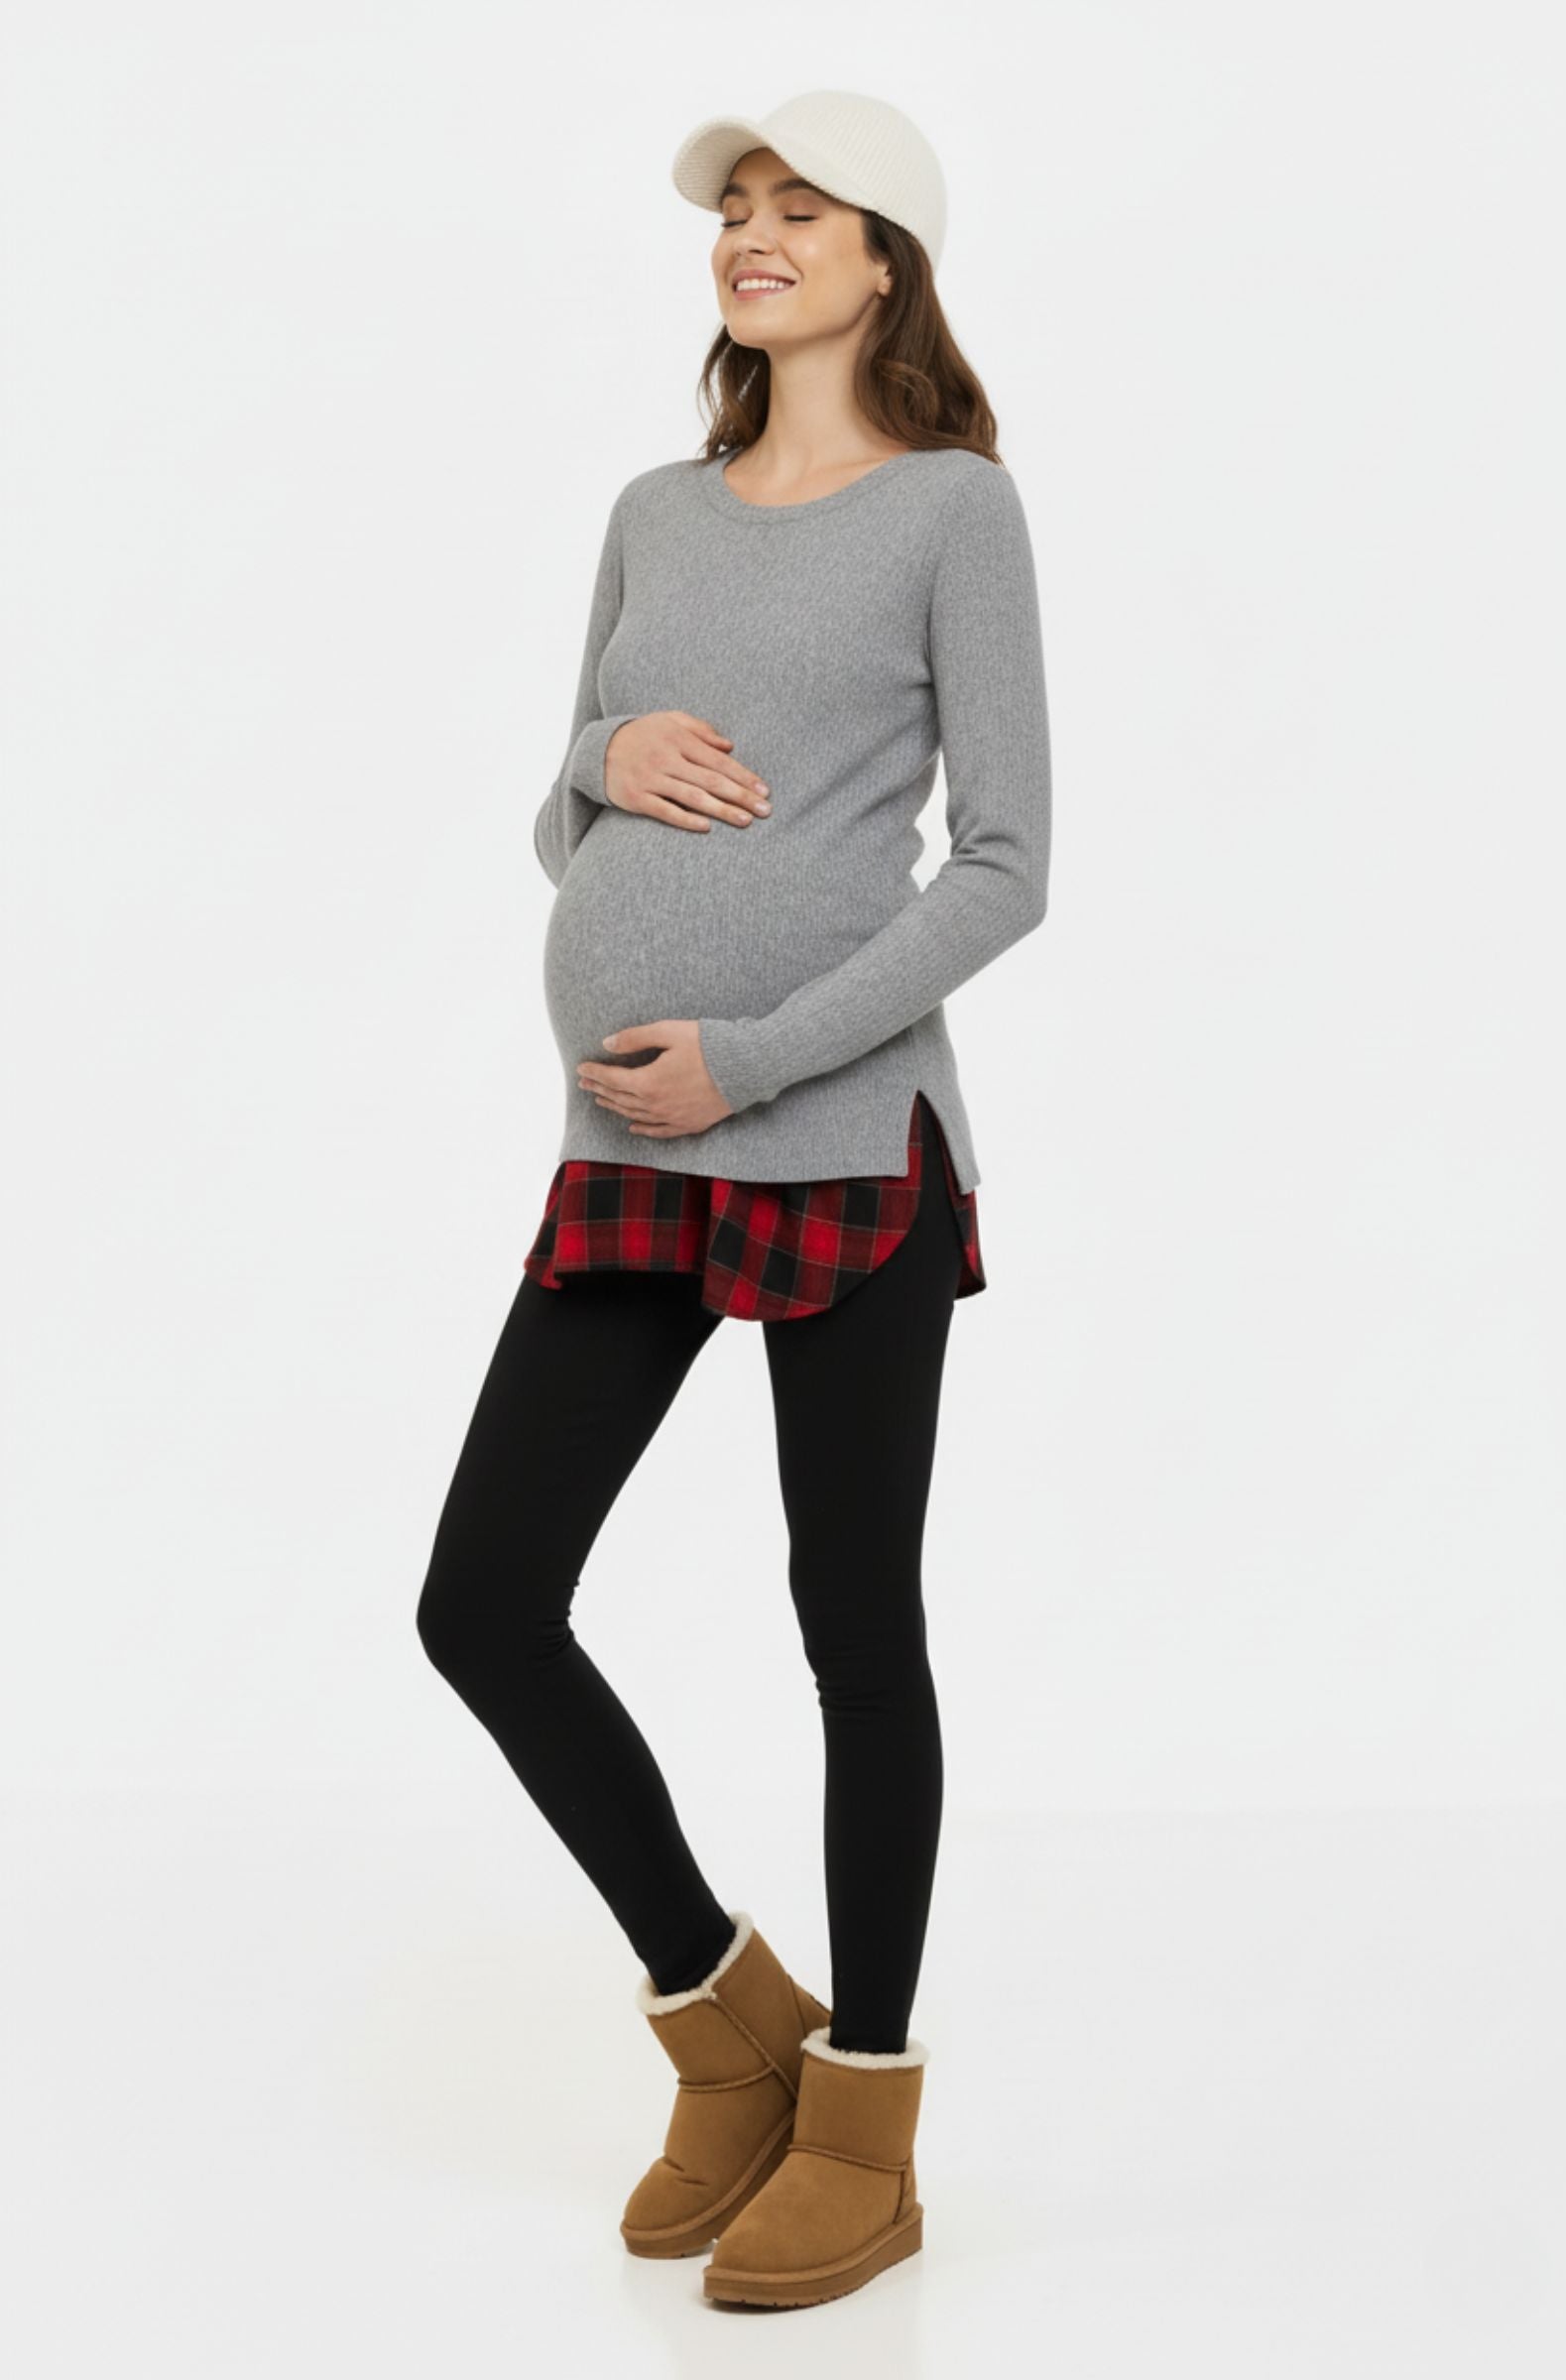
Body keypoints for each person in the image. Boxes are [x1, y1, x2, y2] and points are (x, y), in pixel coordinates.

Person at [416, 87, 1051, 2312]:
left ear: (887, 265)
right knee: (483, 1604)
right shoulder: (651, 512)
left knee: (851, 1625)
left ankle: (863, 2120)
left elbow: (1006, 869)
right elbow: (562, 820)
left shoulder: (954, 511)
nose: (752, 234)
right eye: (736, 209)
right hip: (624, 1147)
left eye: (803, 209)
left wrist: (758, 1057)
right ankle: (727, 2023)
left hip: (843, 1142)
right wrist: (599, 757)